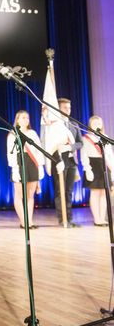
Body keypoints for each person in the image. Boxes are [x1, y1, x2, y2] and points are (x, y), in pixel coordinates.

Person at [7, 110, 45, 229]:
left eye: (27, 118)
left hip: (32, 163)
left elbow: (39, 151)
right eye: (23, 117)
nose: (26, 120)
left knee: (30, 195)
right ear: (17, 120)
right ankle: (23, 222)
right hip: (19, 162)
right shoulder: (13, 134)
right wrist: (15, 169)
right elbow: (10, 154)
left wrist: (40, 167)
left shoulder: (32, 133)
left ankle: (30, 221)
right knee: (19, 195)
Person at [52, 97, 83, 227]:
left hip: (71, 160)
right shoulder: (54, 125)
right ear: (58, 109)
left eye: (69, 108)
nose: (68, 110)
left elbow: (80, 143)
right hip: (59, 160)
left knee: (69, 191)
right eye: (65, 108)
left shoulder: (74, 124)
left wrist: (70, 147)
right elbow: (50, 144)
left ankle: (69, 219)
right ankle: (62, 219)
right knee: (60, 191)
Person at [81, 115, 114, 226]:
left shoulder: (105, 137)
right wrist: (87, 169)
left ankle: (102, 218)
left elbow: (109, 154)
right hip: (93, 165)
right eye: (94, 123)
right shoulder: (86, 138)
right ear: (90, 125)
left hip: (104, 164)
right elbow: (84, 155)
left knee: (104, 193)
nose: (97, 125)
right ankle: (96, 219)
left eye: (99, 123)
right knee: (95, 193)